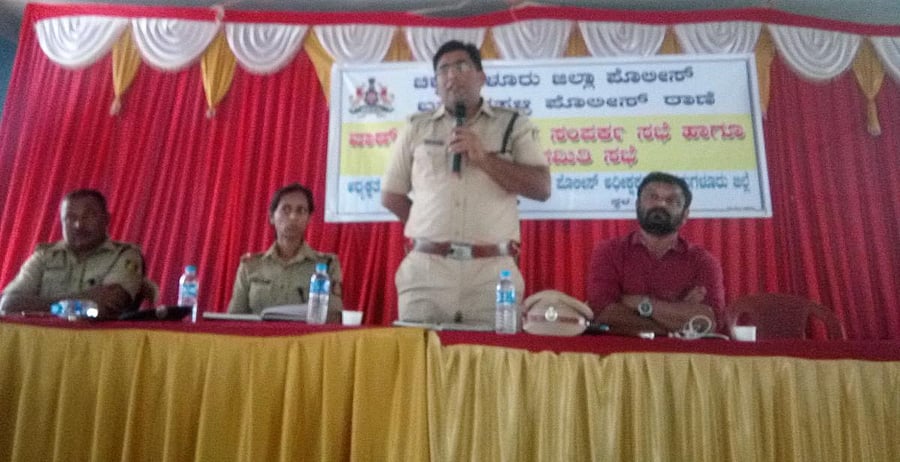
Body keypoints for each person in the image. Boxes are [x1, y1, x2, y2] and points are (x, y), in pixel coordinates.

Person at [381, 40, 551, 325]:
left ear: (481, 77)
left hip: (493, 276)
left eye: (461, 66)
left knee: (490, 366)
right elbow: (391, 196)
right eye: (443, 70)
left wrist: (484, 159)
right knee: (421, 364)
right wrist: (431, 229)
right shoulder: (416, 127)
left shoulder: (513, 125)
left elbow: (541, 188)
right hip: (426, 271)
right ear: (435, 85)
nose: (451, 75)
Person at [586, 172, 725, 336]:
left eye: (672, 200)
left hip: (682, 356)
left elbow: (709, 321)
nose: (661, 204)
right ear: (637, 205)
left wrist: (638, 302)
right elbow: (603, 314)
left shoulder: (703, 262)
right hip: (621, 355)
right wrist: (678, 316)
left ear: (685, 214)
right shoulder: (609, 252)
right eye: (652, 197)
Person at [0, 189, 144, 318]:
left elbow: (100, 310)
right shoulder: (44, 257)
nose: (78, 225)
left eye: (89, 216)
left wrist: (37, 305)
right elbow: (8, 305)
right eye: (70, 217)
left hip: (93, 344)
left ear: (106, 219)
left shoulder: (125, 256)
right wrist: (85, 299)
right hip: (40, 341)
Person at [227, 183, 343, 320]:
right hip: (259, 340)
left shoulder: (327, 265)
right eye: (286, 210)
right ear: (271, 217)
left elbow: (334, 318)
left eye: (301, 211)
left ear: (309, 219)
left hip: (305, 340)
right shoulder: (251, 265)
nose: (293, 216)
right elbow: (234, 318)